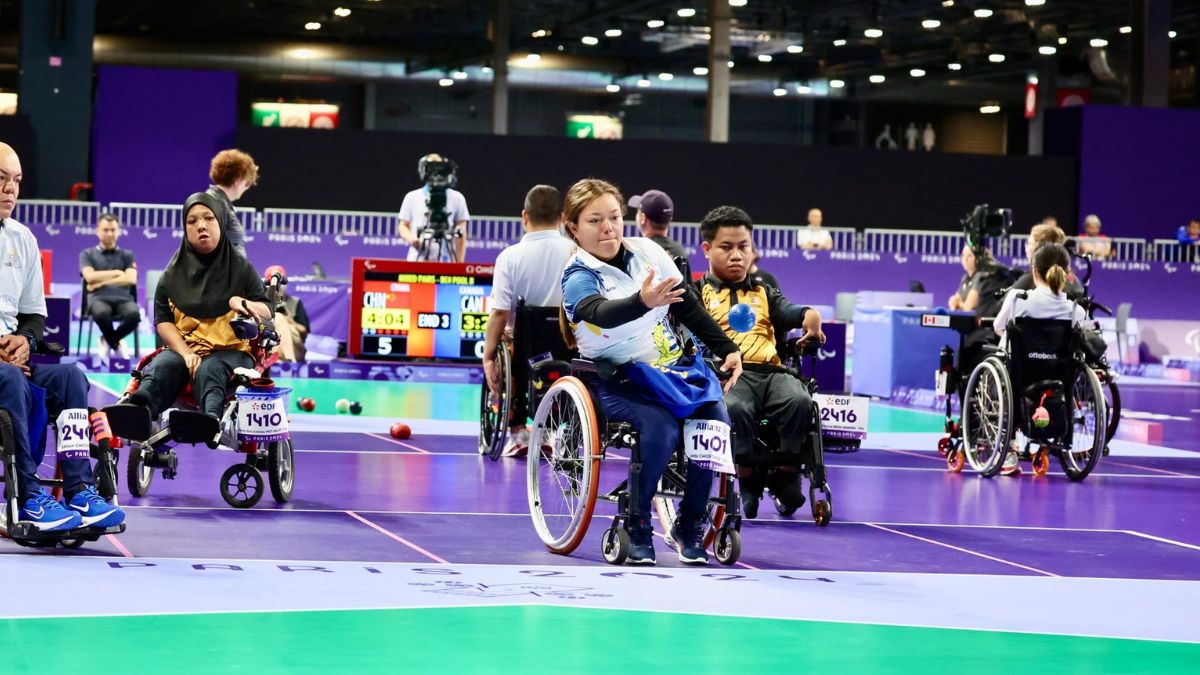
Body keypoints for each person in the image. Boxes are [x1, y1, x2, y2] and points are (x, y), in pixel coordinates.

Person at [559, 178, 743, 566]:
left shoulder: (648, 252)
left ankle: (689, 525)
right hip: (617, 378)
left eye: (613, 217)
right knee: (661, 428)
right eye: (594, 220)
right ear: (573, 226)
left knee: (715, 421)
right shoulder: (578, 275)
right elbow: (598, 312)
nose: (608, 227)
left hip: (672, 369)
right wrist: (641, 302)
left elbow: (688, 306)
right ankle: (637, 522)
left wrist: (727, 349)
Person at [0, 141, 124, 531]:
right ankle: (28, 496)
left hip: (12, 359)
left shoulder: (22, 239)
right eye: (1, 179)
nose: (10, 190)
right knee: (9, 381)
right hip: (3, 372)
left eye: (16, 180)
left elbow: (34, 314)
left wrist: (26, 341)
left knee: (71, 376)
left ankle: (79, 489)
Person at [104, 193, 271, 442]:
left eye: (208, 218)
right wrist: (185, 353)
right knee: (163, 366)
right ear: (185, 228)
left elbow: (267, 310)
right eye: (192, 221)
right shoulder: (171, 274)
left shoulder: (241, 268)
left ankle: (209, 419)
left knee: (211, 369)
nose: (201, 225)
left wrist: (243, 303)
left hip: (231, 351)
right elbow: (163, 320)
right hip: (186, 349)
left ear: (220, 223)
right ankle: (139, 410)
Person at [693, 205, 824, 518]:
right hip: (728, 375)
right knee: (734, 409)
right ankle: (747, 479)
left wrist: (811, 317)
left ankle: (787, 472)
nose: (737, 255)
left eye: (744, 247)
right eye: (727, 247)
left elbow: (792, 311)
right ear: (707, 250)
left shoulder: (764, 291)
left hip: (771, 372)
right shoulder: (697, 294)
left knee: (799, 400)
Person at [482, 185, 574, 456]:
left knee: (506, 341)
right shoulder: (576, 252)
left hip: (525, 345)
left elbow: (499, 313)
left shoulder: (509, 257)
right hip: (569, 342)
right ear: (562, 217)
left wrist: (488, 357)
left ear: (524, 216)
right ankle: (557, 430)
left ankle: (519, 431)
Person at [992, 242, 1088, 477]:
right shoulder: (1076, 310)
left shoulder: (1017, 298)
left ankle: (1008, 448)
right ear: (1067, 275)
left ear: (1034, 271)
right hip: (1058, 376)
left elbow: (998, 327)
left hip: (1021, 373)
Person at [79, 212, 139, 360]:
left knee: (134, 315)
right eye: (106, 230)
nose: (110, 233)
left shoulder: (127, 255)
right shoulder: (87, 254)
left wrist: (101, 282)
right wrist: (118, 273)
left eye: (113, 230)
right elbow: (89, 276)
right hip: (99, 298)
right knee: (100, 313)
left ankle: (109, 339)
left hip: (123, 298)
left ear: (118, 231)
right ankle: (116, 342)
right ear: (98, 231)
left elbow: (131, 279)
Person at [398, 153, 470, 262]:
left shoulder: (457, 198)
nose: (436, 173)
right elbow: (403, 225)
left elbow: (462, 231)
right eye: (431, 167)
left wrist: (460, 264)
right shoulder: (412, 197)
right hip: (418, 260)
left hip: (447, 261)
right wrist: (412, 239)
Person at [206, 149, 259, 253]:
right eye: (247, 184)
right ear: (237, 180)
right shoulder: (215, 203)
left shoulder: (221, 202)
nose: (246, 188)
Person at [1012, 223, 1084, 299]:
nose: (1026, 248)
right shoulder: (1072, 279)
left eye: (1029, 243)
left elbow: (999, 307)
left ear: (1039, 248)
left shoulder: (1034, 277)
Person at [263, 265, 310, 363]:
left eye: (280, 279)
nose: (278, 284)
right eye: (273, 279)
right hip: (269, 344)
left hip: (294, 346)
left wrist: (289, 320)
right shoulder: (261, 301)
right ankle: (285, 361)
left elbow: (304, 331)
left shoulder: (294, 302)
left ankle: (289, 360)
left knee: (280, 318)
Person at [629, 189, 686, 261]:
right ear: (670, 219)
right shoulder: (680, 252)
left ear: (643, 218)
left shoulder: (637, 251)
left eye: (638, 212)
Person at [947, 245, 980, 311]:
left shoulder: (981, 277)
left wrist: (960, 304)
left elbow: (968, 308)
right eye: (963, 255)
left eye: (970, 256)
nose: (965, 259)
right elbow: (954, 301)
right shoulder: (965, 278)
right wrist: (958, 303)